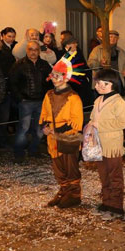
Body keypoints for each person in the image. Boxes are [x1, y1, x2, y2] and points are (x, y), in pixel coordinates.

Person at [39, 54, 84, 208]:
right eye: (53, 75)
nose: (54, 78)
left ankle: (74, 194)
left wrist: (56, 130)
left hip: (68, 138)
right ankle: (63, 190)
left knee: (70, 165)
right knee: (58, 166)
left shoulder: (74, 97)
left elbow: (77, 122)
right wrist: (45, 127)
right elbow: (44, 113)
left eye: (58, 76)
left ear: (65, 78)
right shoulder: (49, 95)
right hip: (52, 138)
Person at [89, 69, 125, 220]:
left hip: (112, 145)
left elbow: (122, 122)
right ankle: (106, 203)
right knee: (104, 176)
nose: (99, 86)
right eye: (97, 83)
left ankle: (116, 207)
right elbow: (93, 117)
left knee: (114, 176)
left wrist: (100, 124)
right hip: (99, 145)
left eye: (103, 83)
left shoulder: (119, 102)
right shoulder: (98, 100)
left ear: (113, 84)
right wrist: (91, 127)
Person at [9, 41, 52, 163]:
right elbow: (12, 84)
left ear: (39, 51)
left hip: (41, 102)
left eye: (36, 49)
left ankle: (34, 150)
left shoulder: (44, 65)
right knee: (23, 129)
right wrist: (20, 99)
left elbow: (50, 81)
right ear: (27, 50)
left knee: (39, 130)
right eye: (30, 49)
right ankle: (19, 153)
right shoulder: (18, 65)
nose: (33, 52)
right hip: (25, 102)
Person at [62, 38, 94, 111]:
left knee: (84, 103)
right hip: (71, 84)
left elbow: (84, 65)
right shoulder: (63, 55)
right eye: (74, 43)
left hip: (82, 82)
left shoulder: (78, 52)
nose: (76, 45)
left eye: (76, 43)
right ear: (67, 45)